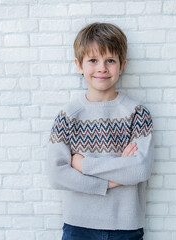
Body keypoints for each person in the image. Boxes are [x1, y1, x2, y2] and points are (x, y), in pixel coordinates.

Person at [46, 22, 154, 240]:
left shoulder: (137, 113)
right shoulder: (68, 116)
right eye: (93, 60)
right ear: (79, 65)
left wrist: (82, 164)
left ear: (122, 65)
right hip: (78, 226)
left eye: (110, 61)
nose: (102, 68)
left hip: (126, 227)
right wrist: (112, 180)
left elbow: (140, 169)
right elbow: (57, 174)